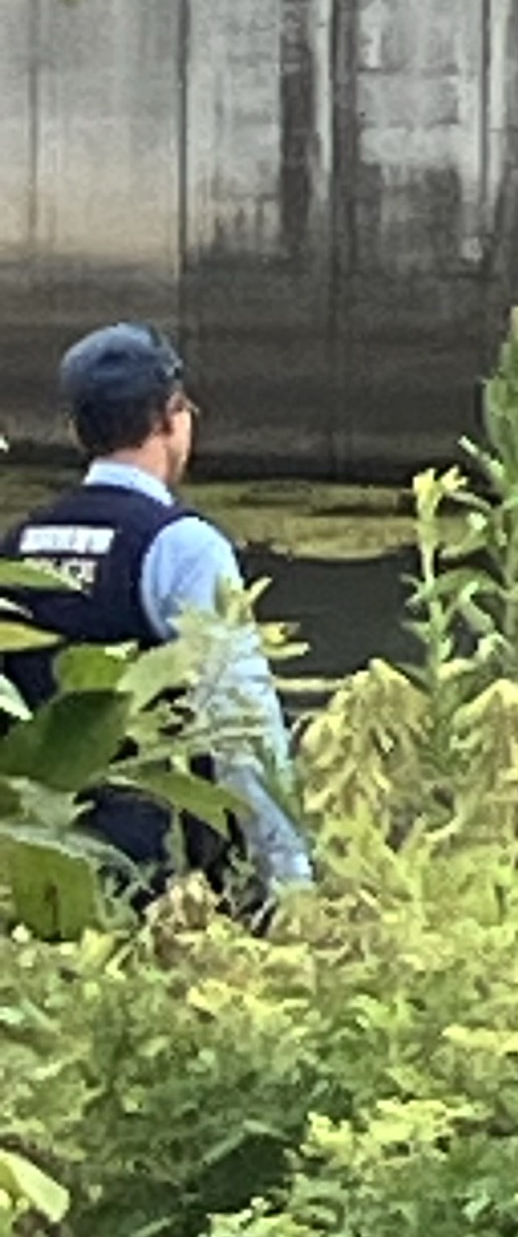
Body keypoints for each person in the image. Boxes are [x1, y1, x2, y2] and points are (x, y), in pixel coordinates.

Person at [2, 322, 310, 898]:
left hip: (37, 876)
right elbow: (241, 724)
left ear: (77, 430)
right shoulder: (182, 546)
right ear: (171, 416)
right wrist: (288, 880)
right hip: (160, 882)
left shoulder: (18, 545)